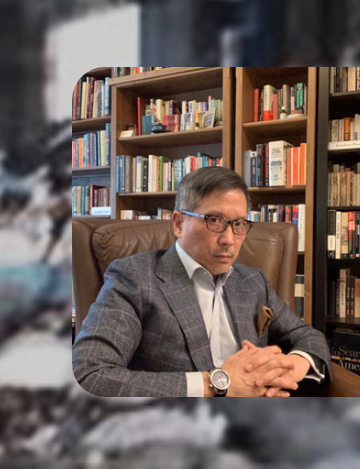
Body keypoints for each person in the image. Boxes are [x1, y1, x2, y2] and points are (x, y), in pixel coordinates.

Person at [72, 167, 331, 397]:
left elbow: (307, 336)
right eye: (214, 220)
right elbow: (90, 374)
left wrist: (294, 365)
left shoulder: (253, 280)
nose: (229, 239)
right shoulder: (135, 277)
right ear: (179, 224)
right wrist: (217, 383)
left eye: (239, 223)